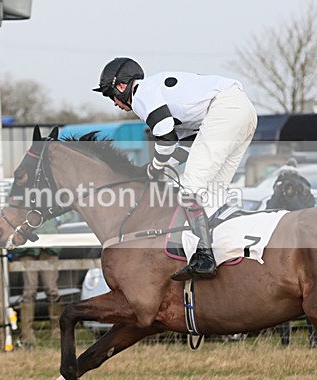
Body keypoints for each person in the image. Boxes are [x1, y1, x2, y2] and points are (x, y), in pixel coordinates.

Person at [93, 57, 258, 280]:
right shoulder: (164, 98)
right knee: (213, 192)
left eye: (110, 94)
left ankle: (204, 256)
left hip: (226, 110)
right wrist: (160, 167)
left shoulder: (142, 94)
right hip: (243, 111)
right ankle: (228, 249)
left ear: (121, 86)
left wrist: (154, 169)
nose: (114, 102)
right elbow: (186, 147)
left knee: (190, 188)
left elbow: (166, 138)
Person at [265, 161, 317, 348]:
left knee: (312, 294)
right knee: (282, 294)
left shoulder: (304, 191)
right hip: (283, 245)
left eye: (290, 179)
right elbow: (269, 210)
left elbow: (305, 213)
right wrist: (279, 193)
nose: (288, 182)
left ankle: (314, 340)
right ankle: (285, 342)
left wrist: (292, 196)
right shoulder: (278, 190)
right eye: (284, 179)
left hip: (303, 245)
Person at [11, 217, 63, 345]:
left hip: (50, 247)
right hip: (27, 249)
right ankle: (27, 333)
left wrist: (58, 218)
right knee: (29, 291)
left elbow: (69, 208)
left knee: (52, 289)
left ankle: (57, 331)